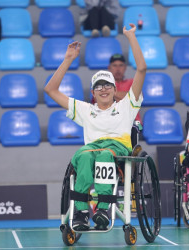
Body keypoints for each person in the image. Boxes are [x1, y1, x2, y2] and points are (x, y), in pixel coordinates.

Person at [44, 23, 146, 231]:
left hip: (116, 150)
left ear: (115, 88)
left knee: (104, 155)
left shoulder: (127, 105)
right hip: (92, 150)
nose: (104, 89)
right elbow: (50, 89)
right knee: (82, 155)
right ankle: (81, 212)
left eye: (107, 85)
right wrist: (68, 59)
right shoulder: (85, 110)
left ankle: (103, 208)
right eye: (98, 86)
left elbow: (142, 69)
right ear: (93, 91)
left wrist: (130, 36)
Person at [91, 53, 142, 125]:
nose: (118, 69)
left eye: (121, 65)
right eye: (114, 65)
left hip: (132, 124)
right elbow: (101, 103)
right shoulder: (100, 82)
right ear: (109, 68)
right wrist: (127, 97)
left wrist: (108, 93)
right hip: (109, 123)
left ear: (125, 67)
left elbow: (136, 98)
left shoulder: (132, 82)